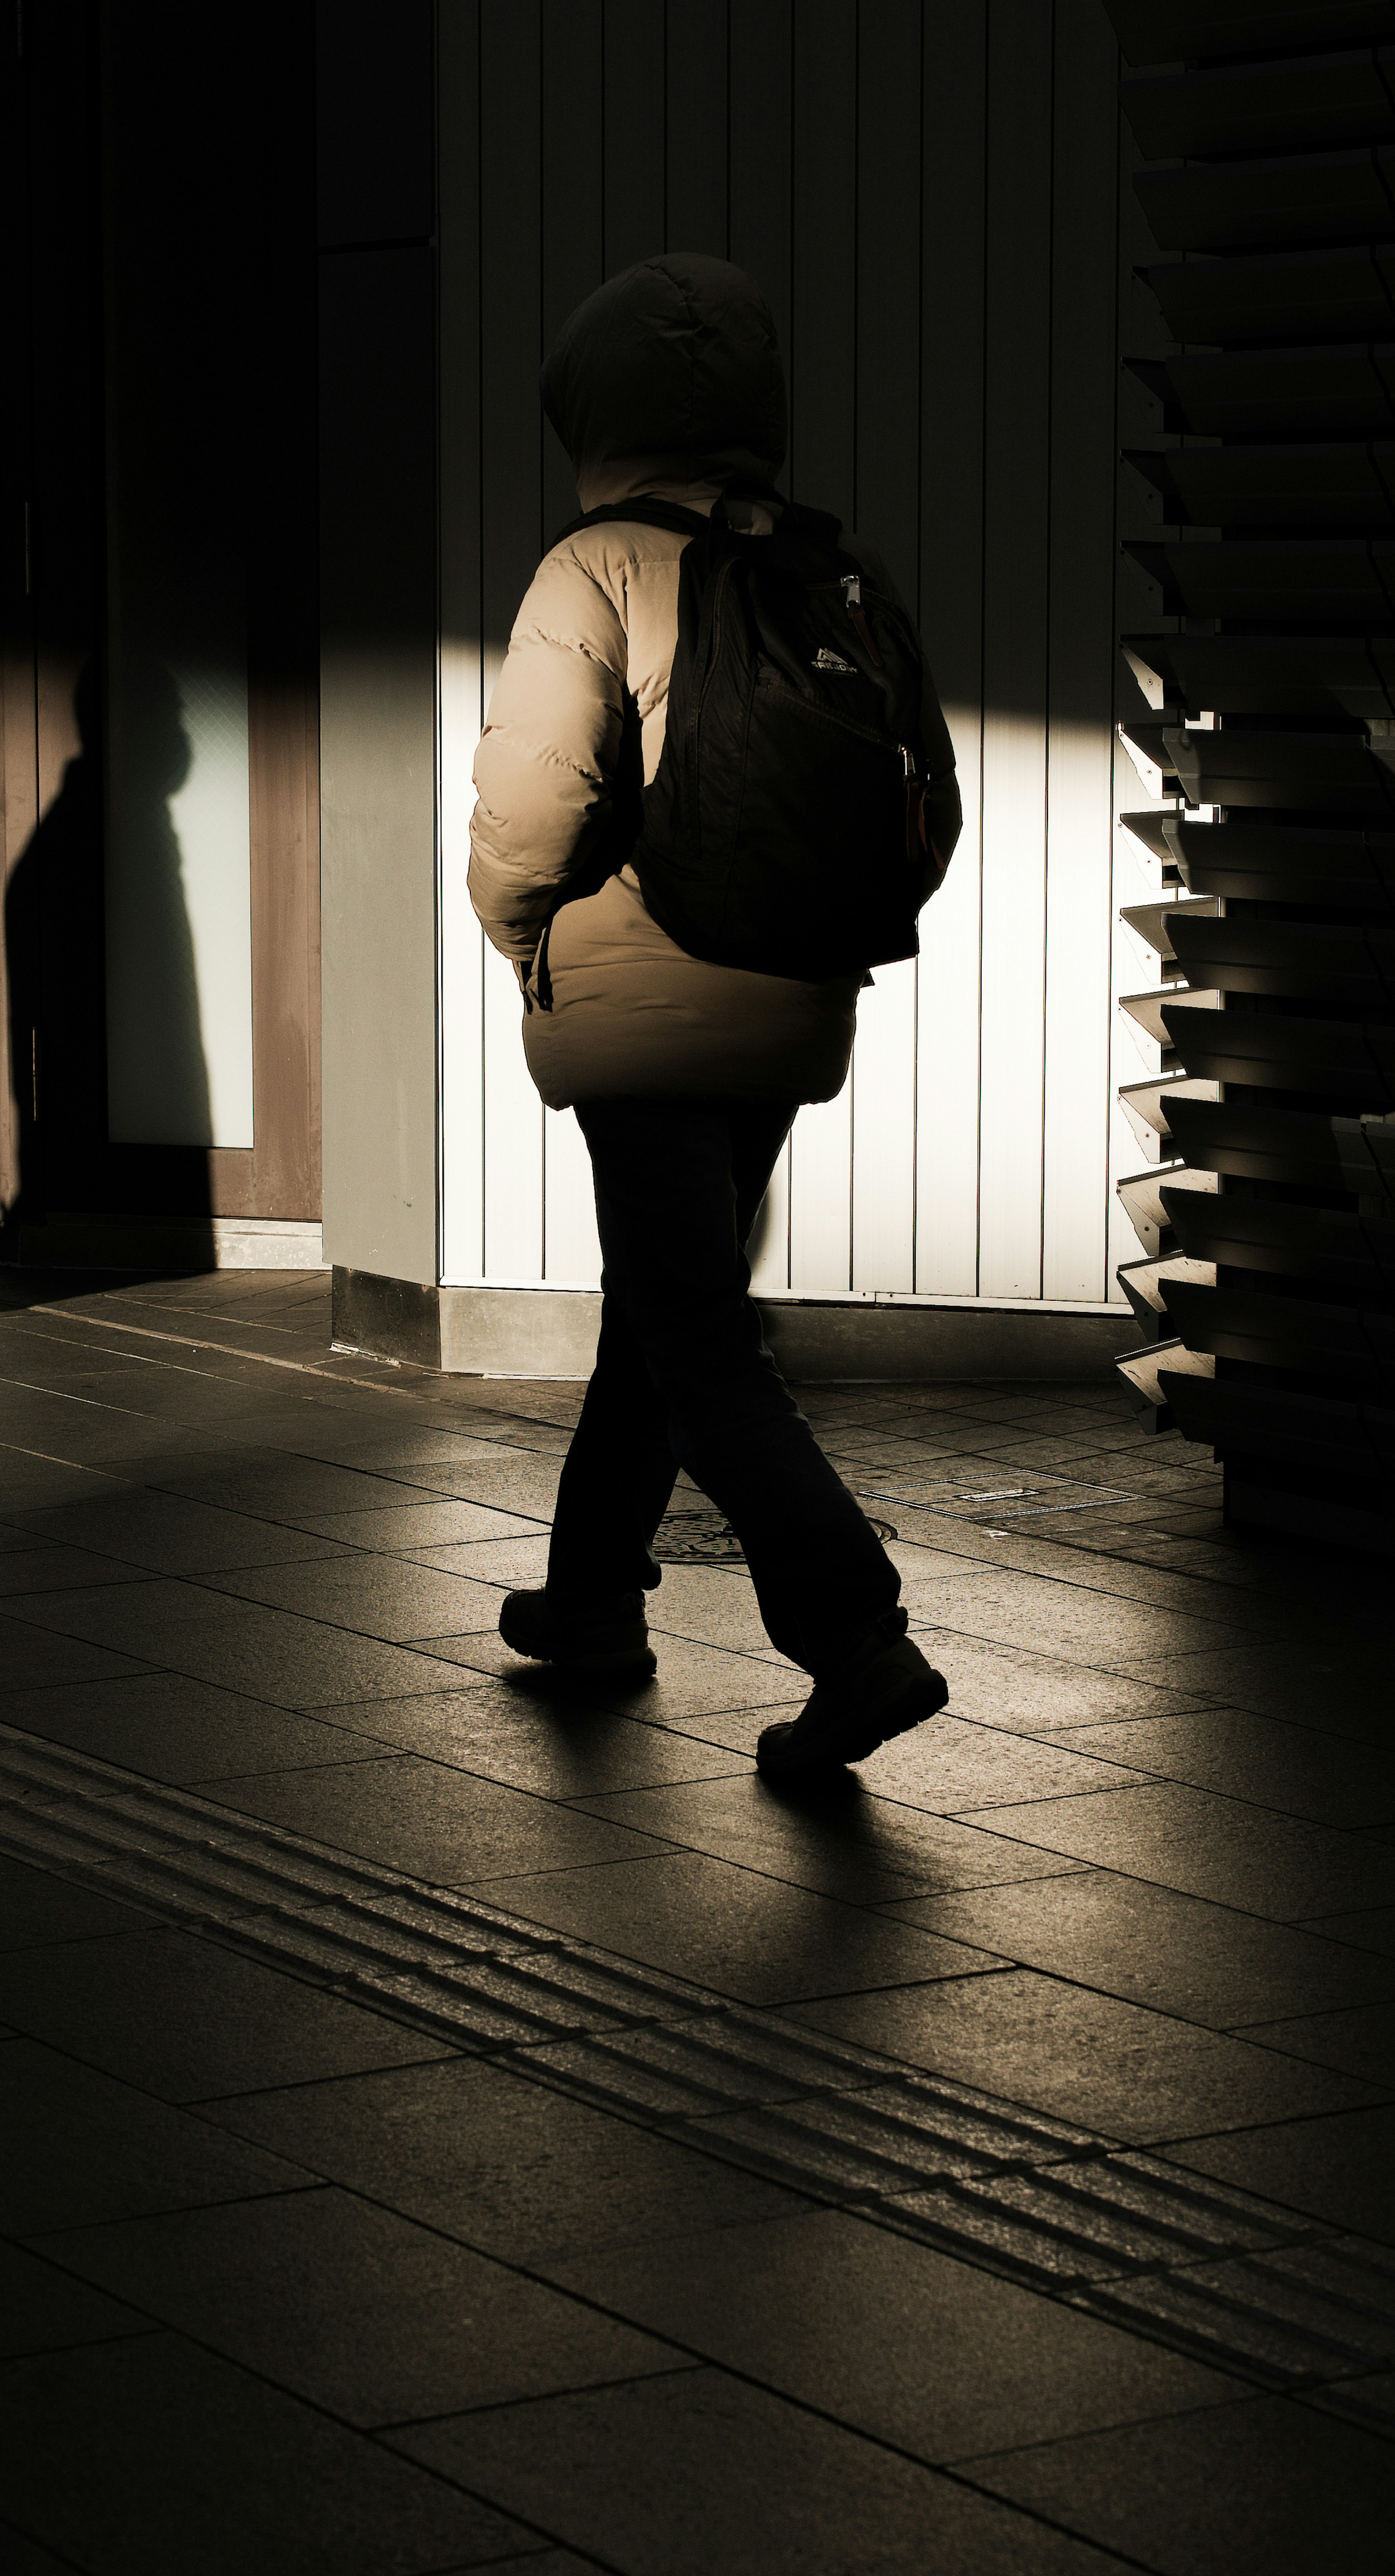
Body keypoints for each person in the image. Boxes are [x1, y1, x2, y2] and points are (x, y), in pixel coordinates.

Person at [468, 252, 963, 1775]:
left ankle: (856, 1639)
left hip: (640, 999)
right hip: (792, 1003)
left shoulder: (598, 566)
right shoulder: (832, 568)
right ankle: (591, 1599)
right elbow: (928, 808)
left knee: (693, 1330)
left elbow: (534, 804)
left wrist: (520, 928)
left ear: (594, 406)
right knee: (668, 1310)